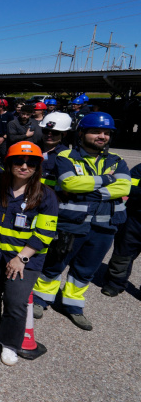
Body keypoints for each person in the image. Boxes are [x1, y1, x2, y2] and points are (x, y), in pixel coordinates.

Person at [32, 112, 130, 330]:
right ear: (82, 133)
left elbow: (124, 187)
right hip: (72, 222)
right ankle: (40, 300)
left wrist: (89, 189)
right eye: (96, 132)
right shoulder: (66, 157)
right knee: (55, 264)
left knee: (86, 270)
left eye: (106, 133)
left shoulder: (117, 160)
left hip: (105, 226)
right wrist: (106, 180)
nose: (102, 136)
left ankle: (73, 306)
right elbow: (69, 184)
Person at [0, 142, 58, 366]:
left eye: (31, 163)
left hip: (24, 260)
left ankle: (9, 343)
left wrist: (21, 258)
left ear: (38, 167)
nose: (24, 166)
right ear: (8, 163)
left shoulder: (46, 195)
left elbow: (45, 233)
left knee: (15, 301)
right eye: (19, 161)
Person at [101, 161, 141, 297]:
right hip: (135, 218)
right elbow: (127, 187)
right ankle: (115, 283)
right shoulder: (140, 168)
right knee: (123, 252)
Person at [36, 112, 71, 187]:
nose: (49, 135)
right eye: (45, 131)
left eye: (55, 132)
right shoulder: (34, 149)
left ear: (63, 134)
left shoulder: (67, 154)